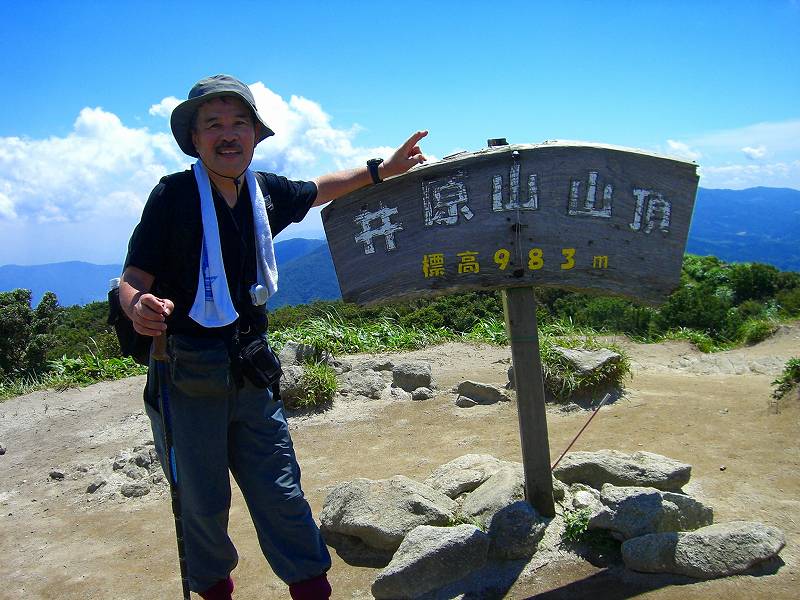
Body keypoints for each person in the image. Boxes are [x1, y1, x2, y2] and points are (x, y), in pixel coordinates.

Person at [120, 74, 427, 600]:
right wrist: (137, 308)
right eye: (213, 124)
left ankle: (311, 590)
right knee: (200, 501)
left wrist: (382, 171)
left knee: (281, 491)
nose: (228, 133)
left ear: (255, 136)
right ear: (194, 139)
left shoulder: (263, 194)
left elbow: (320, 190)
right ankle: (215, 589)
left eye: (239, 122)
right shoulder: (173, 196)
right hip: (185, 374)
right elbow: (132, 278)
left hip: (251, 369)